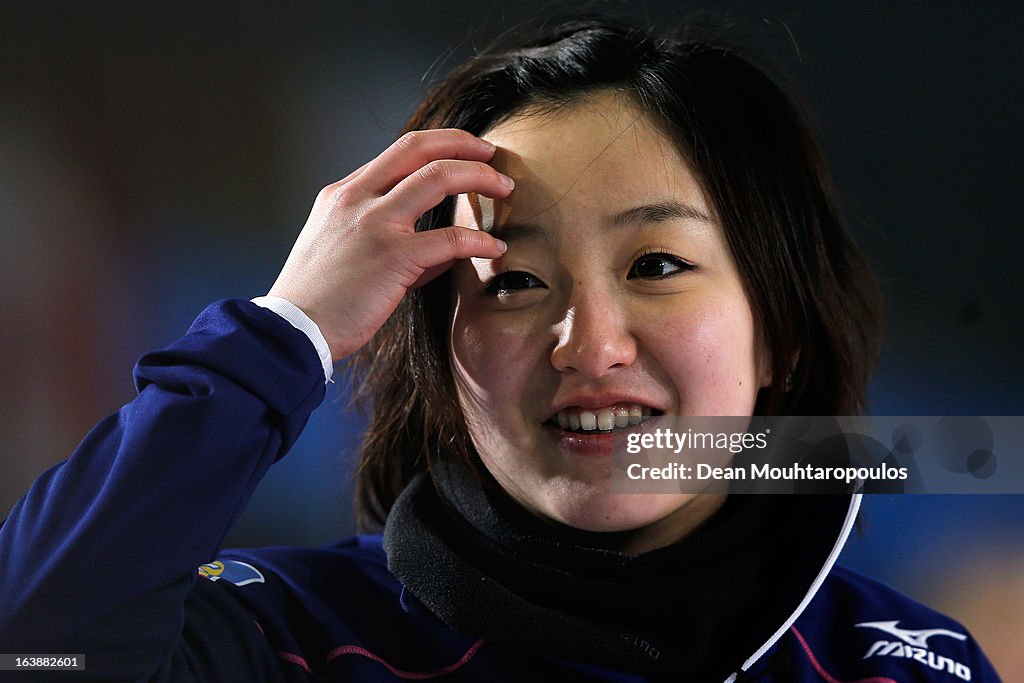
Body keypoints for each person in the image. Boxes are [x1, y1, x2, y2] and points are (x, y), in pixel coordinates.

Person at [0, 16, 1001, 683]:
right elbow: (36, 647)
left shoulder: (901, 662)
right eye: (513, 281)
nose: (591, 344)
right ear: (438, 355)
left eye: (655, 264)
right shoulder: (294, 636)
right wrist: (285, 328)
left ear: (777, 328)